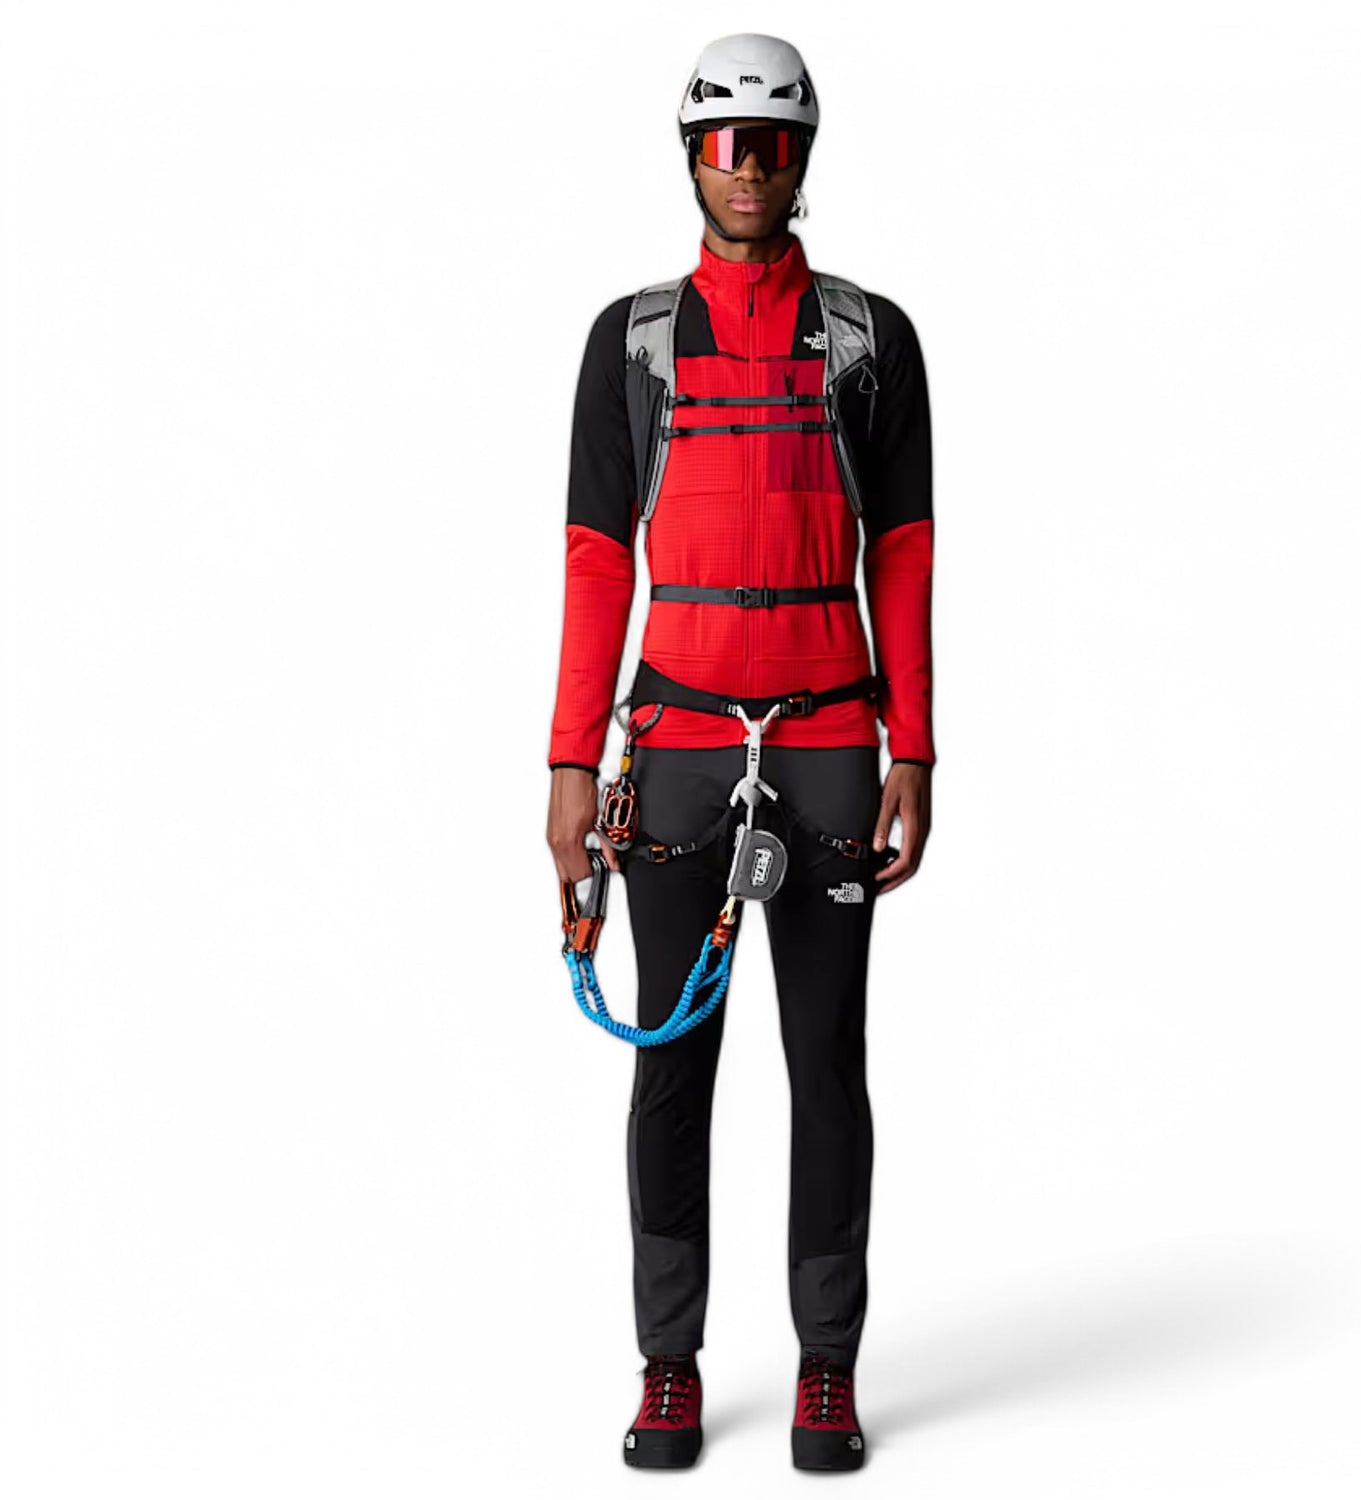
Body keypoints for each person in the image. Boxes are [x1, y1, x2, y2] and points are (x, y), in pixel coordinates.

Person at [544, 33, 935, 1472]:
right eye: (726, 145)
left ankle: (827, 1367)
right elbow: (598, 559)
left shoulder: (871, 340)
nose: (749, 169)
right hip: (678, 750)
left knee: (827, 1060)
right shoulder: (632, 344)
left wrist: (914, 746)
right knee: (673, 1066)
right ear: (691, 157)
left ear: (804, 156)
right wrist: (569, 763)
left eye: (773, 144)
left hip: (830, 742)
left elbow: (906, 551)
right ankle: (670, 1365)